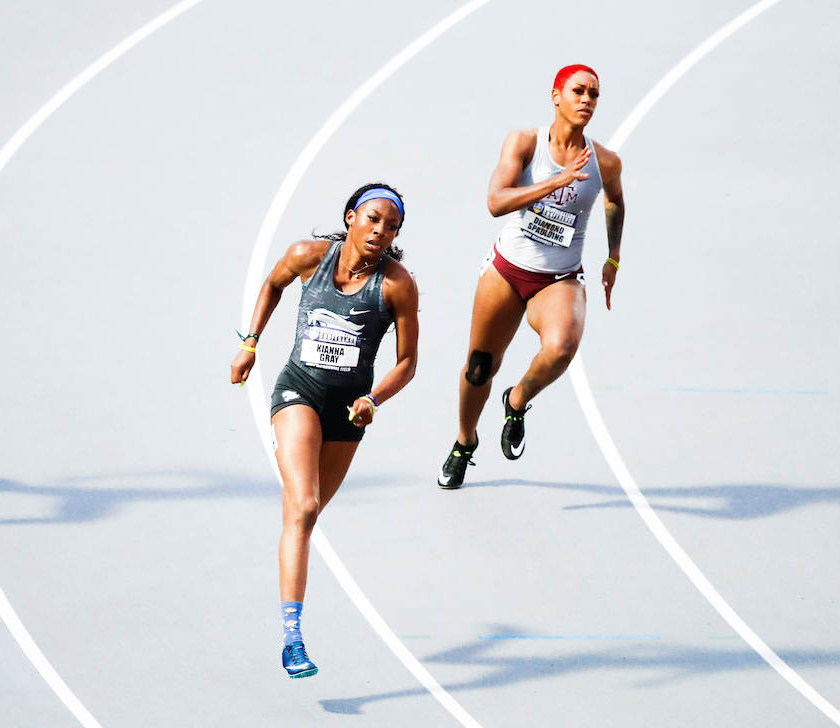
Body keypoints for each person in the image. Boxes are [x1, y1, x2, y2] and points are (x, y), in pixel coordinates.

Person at [231, 184, 419, 678]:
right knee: (306, 503)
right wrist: (251, 343)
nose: (382, 231)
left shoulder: (397, 285)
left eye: (392, 226)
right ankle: (292, 638)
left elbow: (407, 363)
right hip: (300, 390)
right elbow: (273, 285)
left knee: (303, 518)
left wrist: (373, 399)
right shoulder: (307, 257)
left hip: (349, 411)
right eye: (374, 219)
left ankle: (288, 597)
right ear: (352, 217)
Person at [437, 64, 624, 489]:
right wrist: (557, 179)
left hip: (558, 279)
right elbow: (495, 202)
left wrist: (613, 257)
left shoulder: (606, 162)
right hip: (506, 272)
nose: (587, 101)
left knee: (561, 346)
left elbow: (615, 203)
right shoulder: (524, 142)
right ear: (556, 95)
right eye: (578, 91)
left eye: (594, 95)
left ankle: (517, 400)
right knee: (479, 368)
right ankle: (465, 442)